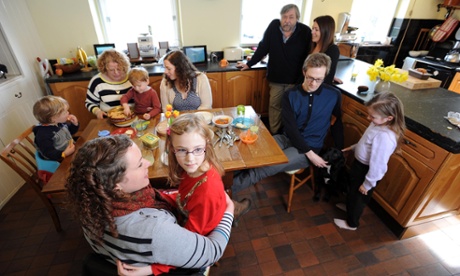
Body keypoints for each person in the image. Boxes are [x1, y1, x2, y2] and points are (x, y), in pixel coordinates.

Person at [65, 135, 234, 275]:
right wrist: (229, 211)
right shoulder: (155, 231)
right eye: (139, 164)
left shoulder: (88, 203)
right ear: (116, 185)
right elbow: (212, 252)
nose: (148, 163)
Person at [118, 113, 252, 276]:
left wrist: (153, 269)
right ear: (172, 148)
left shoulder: (206, 190)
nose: (190, 159)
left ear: (206, 145)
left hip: (201, 235)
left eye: (197, 150)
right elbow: (185, 195)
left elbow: (187, 246)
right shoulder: (194, 170)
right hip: (192, 215)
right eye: (182, 150)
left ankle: (234, 212)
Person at [232, 53, 344, 195]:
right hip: (288, 138)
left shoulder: (333, 95)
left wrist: (339, 149)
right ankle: (220, 183)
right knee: (251, 155)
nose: (314, 83)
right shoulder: (290, 94)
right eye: (310, 78)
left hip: (309, 146)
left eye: (319, 79)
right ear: (304, 72)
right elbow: (290, 128)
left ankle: (222, 193)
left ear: (325, 75)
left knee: (263, 169)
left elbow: (337, 122)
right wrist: (312, 156)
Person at [334, 92, 405, 231]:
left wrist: (368, 184)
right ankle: (350, 207)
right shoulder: (377, 124)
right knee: (353, 190)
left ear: (388, 118)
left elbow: (378, 165)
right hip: (360, 165)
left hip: (368, 172)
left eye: (372, 116)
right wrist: (353, 148)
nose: (368, 118)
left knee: (359, 198)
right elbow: (365, 143)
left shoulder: (385, 137)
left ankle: (352, 223)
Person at [237, 4, 311, 134]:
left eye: (291, 17)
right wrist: (249, 64)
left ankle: (287, 135)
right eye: (284, 17)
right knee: (274, 106)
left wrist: (302, 79)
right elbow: (263, 47)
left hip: (295, 81)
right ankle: (275, 135)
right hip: (276, 78)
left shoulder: (305, 32)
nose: (287, 20)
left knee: (291, 109)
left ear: (297, 18)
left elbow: (309, 56)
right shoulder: (273, 27)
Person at [85, 49, 132, 119]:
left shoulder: (132, 76)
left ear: (124, 67)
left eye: (119, 69)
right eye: (111, 70)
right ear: (104, 68)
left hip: (132, 116)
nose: (116, 73)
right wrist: (97, 111)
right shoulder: (96, 81)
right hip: (109, 119)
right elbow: (89, 103)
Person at [32, 95, 79, 162]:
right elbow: (49, 153)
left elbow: (70, 132)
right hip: (59, 160)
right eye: (65, 112)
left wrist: (75, 124)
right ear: (53, 118)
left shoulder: (59, 123)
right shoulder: (43, 135)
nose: (68, 113)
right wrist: (64, 154)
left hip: (69, 149)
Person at [310, 15, 340, 85]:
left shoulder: (332, 50)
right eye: (312, 28)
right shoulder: (311, 45)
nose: (312, 32)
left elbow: (326, 74)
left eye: (316, 30)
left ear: (325, 31)